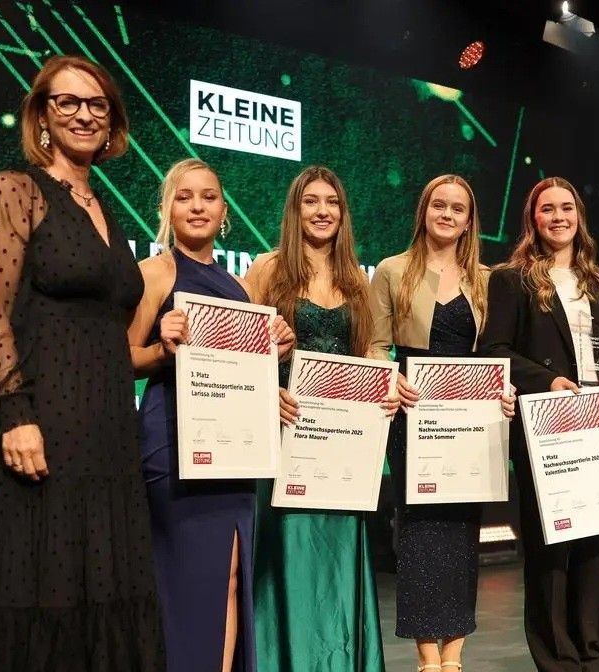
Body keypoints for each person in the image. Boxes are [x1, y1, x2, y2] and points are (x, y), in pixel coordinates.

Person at [0, 55, 164, 670]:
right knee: (41, 582)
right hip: (44, 427)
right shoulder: (14, 190)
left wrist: (166, 351)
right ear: (42, 115)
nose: (83, 114)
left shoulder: (108, 211)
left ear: (112, 122)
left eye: (97, 104)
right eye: (67, 102)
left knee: (104, 585)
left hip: (109, 434)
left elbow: (107, 334)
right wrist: (15, 412)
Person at [127, 159, 295, 671]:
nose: (197, 206)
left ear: (224, 212)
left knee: (229, 578)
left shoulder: (241, 290)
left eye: (208, 197)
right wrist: (162, 347)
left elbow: (245, 375)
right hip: (172, 447)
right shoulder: (154, 274)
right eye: (184, 196)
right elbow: (120, 357)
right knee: (180, 581)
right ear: (167, 209)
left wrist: (278, 354)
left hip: (233, 453)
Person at [479, 177, 599, 672]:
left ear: (579, 216)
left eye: (566, 208)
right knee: (552, 551)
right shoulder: (511, 279)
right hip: (547, 428)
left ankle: (591, 657)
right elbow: (495, 350)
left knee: (598, 550)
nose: (558, 217)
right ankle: (556, 661)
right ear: (533, 219)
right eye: (547, 209)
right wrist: (548, 381)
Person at [245, 165, 398, 672]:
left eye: (331, 202)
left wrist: (387, 389)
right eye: (311, 201)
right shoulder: (268, 271)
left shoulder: (357, 281)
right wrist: (268, 393)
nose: (322, 211)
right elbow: (237, 350)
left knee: (335, 562)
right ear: (295, 210)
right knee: (288, 559)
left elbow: (370, 357)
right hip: (284, 443)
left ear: (343, 212)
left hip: (342, 450)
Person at [369, 174, 515, 672]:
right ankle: (427, 658)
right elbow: (374, 345)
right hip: (412, 416)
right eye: (439, 205)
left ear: (470, 219)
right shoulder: (391, 270)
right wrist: (389, 377)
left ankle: (454, 656)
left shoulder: (487, 277)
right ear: (424, 210)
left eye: (458, 208)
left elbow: (496, 353)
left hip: (469, 421)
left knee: (460, 532)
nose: (448, 214)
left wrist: (505, 389)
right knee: (420, 531)